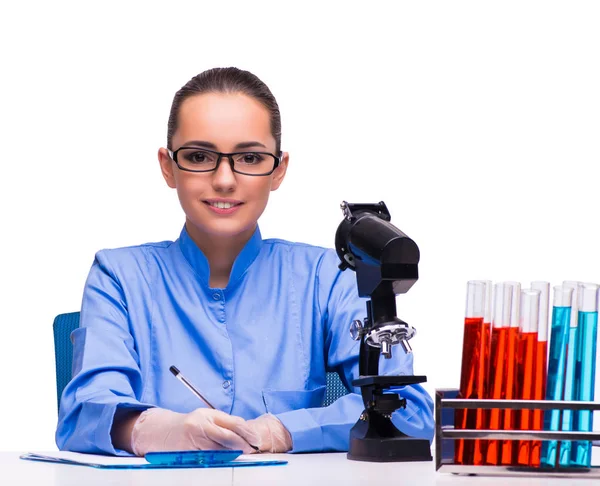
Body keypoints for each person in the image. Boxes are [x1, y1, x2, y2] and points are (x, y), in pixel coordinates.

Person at [55, 67, 434, 456]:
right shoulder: (118, 276)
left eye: (250, 157)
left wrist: (284, 431)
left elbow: (410, 411)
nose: (224, 179)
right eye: (199, 156)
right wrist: (155, 430)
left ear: (278, 169)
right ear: (168, 166)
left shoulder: (328, 278)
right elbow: (84, 415)